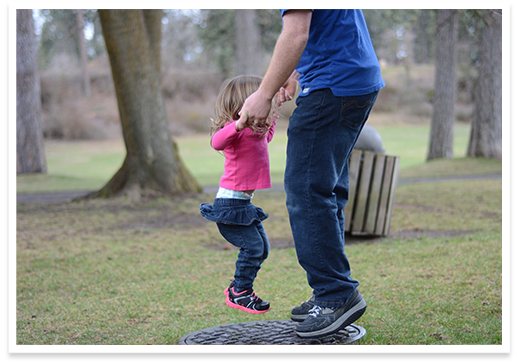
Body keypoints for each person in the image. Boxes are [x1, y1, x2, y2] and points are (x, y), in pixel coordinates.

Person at [236, 10, 386, 338]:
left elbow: (296, 34)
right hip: (354, 80)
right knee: (326, 189)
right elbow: (323, 28)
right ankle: (329, 293)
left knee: (307, 191)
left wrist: (263, 93)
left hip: (332, 86)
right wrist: (294, 72)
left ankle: (335, 294)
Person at [200, 75, 280, 314]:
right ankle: (240, 292)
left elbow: (267, 137)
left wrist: (275, 111)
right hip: (229, 205)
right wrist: (238, 123)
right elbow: (216, 142)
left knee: (262, 248)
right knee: (254, 248)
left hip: (243, 204)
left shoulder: (255, 133)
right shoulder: (233, 131)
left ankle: (241, 289)